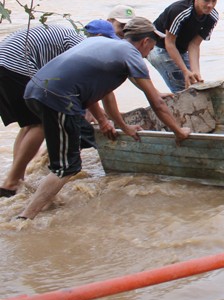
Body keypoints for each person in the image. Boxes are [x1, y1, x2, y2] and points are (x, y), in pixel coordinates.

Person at [17, 17, 191, 219]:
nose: (151, 51)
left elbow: (99, 93)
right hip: (59, 98)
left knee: (61, 157)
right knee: (68, 167)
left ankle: (42, 198)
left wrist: (118, 125)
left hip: (34, 91)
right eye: (152, 45)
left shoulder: (101, 43)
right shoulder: (132, 55)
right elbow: (157, 102)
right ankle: (24, 218)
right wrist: (179, 131)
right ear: (145, 42)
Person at [0, 22, 83, 198]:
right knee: (42, 125)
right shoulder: (80, 42)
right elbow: (79, 77)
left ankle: (16, 176)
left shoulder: (67, 34)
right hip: (16, 65)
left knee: (29, 125)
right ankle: (12, 182)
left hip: (4, 62)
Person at [149, 0, 220, 92]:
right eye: (206, 0)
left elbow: (194, 45)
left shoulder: (212, 17)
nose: (210, 5)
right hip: (159, 47)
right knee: (182, 89)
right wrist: (185, 71)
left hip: (180, 49)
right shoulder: (179, 11)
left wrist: (196, 72)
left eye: (214, 1)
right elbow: (169, 43)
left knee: (195, 82)